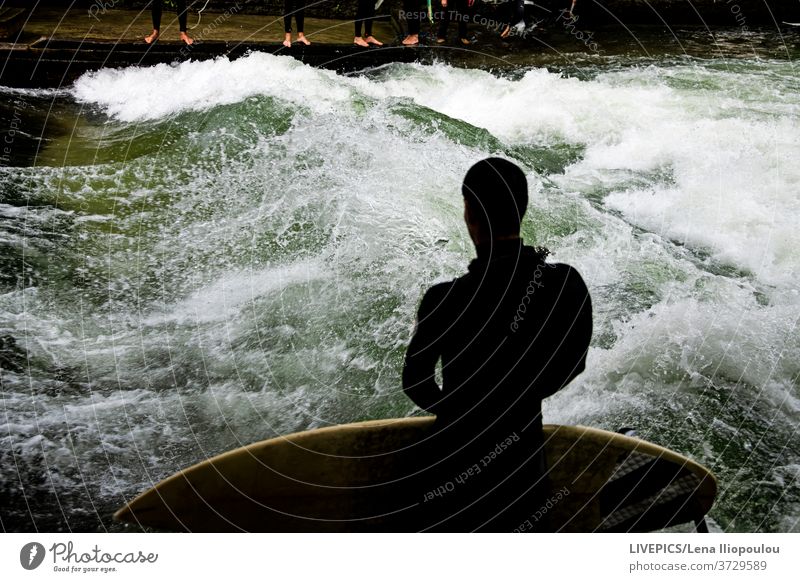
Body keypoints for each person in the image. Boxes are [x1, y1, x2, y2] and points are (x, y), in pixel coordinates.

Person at [402, 158, 592, 531]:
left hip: (447, 465)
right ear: (521, 210)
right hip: (521, 467)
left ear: (469, 214)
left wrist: (463, 409)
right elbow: (573, 363)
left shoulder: (444, 298)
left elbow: (416, 381)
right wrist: (517, 397)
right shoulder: (564, 283)